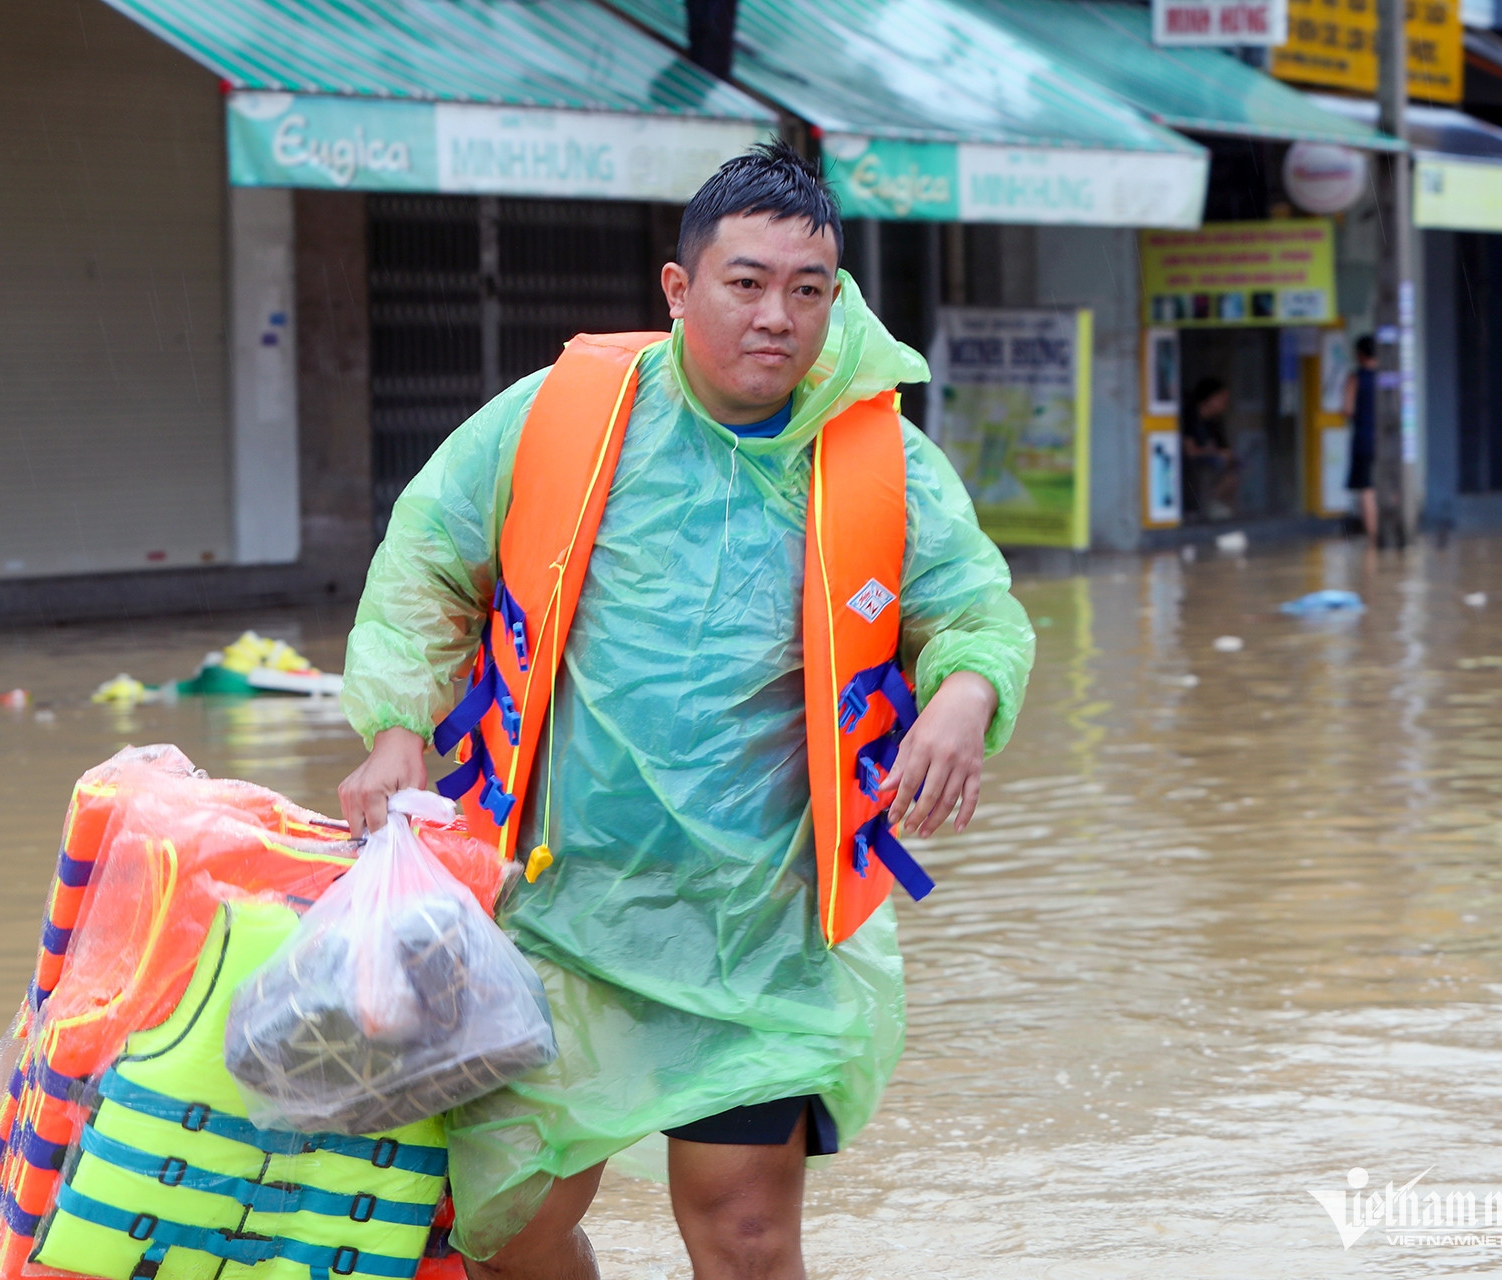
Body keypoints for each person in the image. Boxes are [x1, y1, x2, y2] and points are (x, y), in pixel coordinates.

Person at [336, 143, 1034, 1280]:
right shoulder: (560, 417)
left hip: (759, 928)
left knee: (747, 1236)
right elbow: (427, 561)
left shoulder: (877, 459)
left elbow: (973, 609)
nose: (778, 316)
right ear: (678, 287)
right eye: (746, 282)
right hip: (550, 913)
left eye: (809, 290)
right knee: (506, 1224)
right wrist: (397, 727)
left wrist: (966, 692)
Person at [1181, 375, 1239, 519]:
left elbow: (1225, 449)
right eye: (1222, 399)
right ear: (1210, 398)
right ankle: (1203, 507)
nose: (1225, 404)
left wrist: (1225, 455)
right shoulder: (1189, 417)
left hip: (1211, 463)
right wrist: (1214, 453)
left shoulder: (1215, 422)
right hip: (1190, 465)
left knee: (1233, 470)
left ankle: (1215, 505)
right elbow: (1190, 452)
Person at [1342, 334, 1378, 541]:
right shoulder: (1386, 377)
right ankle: (1389, 531)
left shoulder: (1355, 378)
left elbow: (1347, 409)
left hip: (1364, 437)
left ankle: (1373, 537)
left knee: (1367, 488)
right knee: (1388, 484)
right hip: (1387, 439)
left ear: (1360, 355)